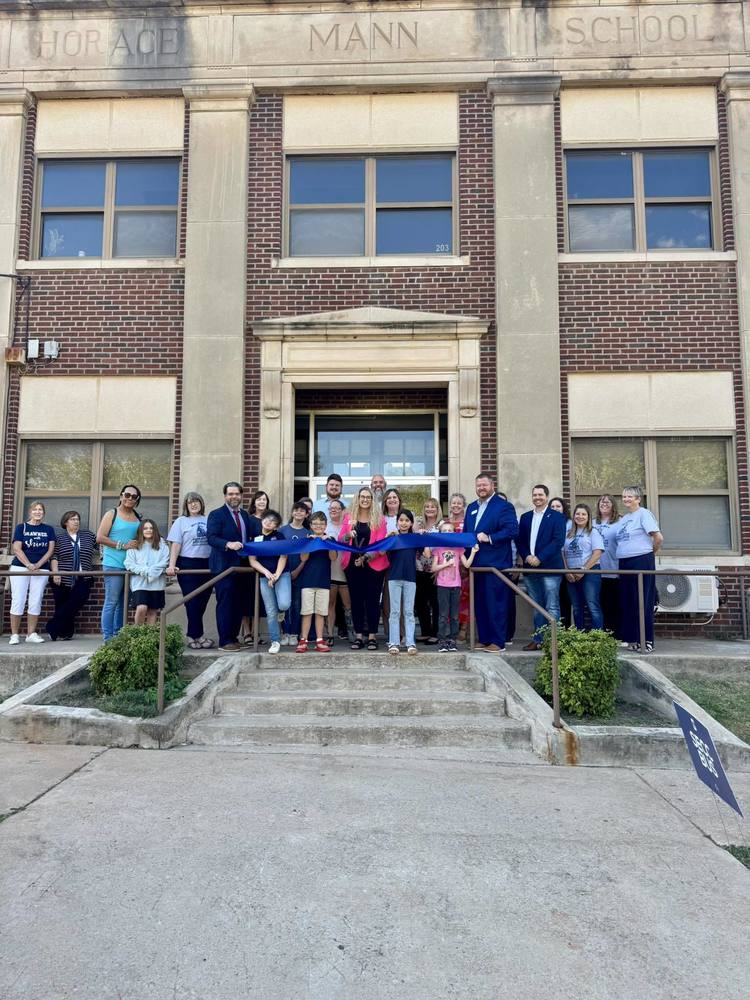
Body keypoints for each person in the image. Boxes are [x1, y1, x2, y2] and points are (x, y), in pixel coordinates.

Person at [463, 473, 518, 652]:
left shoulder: (503, 506)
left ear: (492, 485)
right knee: (481, 604)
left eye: (484, 485)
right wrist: (465, 560)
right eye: (478, 485)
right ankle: (485, 639)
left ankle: (498, 642)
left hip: (495, 565)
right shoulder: (471, 507)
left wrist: (490, 538)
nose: (481, 488)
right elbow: (466, 534)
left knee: (496, 604)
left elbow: (512, 530)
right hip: (476, 564)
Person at [207, 482, 259, 652]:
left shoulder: (245, 515)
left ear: (241, 496)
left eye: (237, 494)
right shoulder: (216, 515)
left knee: (238, 604)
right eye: (230, 494)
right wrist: (228, 544)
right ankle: (224, 640)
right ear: (225, 496)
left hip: (242, 567)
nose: (234, 497)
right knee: (226, 603)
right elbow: (212, 538)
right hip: (224, 567)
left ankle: (234, 638)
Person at [517, 484, 567, 650]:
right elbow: (520, 541)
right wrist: (527, 556)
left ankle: (554, 641)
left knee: (552, 605)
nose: (537, 497)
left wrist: (540, 557)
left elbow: (558, 541)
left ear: (547, 496)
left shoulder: (557, 517)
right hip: (530, 569)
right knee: (537, 606)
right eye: (535, 494)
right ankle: (538, 640)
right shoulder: (525, 517)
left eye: (540, 494)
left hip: (550, 568)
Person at [339, 485, 389, 650]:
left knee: (373, 601)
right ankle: (359, 636)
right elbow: (341, 539)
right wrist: (348, 535)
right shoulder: (348, 517)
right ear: (358, 499)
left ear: (372, 500)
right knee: (356, 601)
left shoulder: (379, 519)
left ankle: (373, 636)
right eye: (363, 497)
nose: (365, 499)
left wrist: (366, 557)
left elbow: (382, 545)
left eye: (368, 497)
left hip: (373, 565)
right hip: (352, 565)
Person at [615, 486, 663, 653]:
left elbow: (658, 538)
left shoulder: (644, 514)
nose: (626, 499)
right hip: (624, 562)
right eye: (624, 496)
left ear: (638, 499)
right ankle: (634, 639)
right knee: (629, 602)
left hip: (641, 561)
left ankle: (647, 640)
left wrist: (649, 553)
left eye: (630, 496)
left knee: (643, 601)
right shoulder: (625, 518)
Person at [166, 492, 214, 650]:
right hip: (187, 563)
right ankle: (194, 636)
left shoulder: (208, 520)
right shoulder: (181, 521)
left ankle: (196, 635)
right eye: (190, 502)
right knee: (192, 601)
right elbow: (176, 545)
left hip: (207, 564)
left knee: (202, 602)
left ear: (201, 504)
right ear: (186, 505)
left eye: (196, 502)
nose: (194, 505)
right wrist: (171, 565)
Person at [96, 484, 141, 641]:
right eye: (127, 495)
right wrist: (123, 545)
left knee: (123, 604)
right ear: (121, 496)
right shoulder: (112, 514)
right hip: (113, 563)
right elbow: (100, 537)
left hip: (131, 566)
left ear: (137, 500)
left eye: (134, 496)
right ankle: (108, 639)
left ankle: (119, 636)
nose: (130, 498)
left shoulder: (138, 517)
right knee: (112, 601)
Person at [8, 500, 56, 645]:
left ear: (43, 513)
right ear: (30, 512)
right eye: (35, 509)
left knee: (36, 600)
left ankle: (31, 633)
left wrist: (38, 565)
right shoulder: (21, 527)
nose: (38, 512)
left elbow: (50, 550)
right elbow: (17, 549)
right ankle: (14, 634)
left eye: (40, 510)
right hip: (20, 567)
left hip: (41, 568)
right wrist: (29, 565)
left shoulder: (48, 529)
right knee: (18, 600)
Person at [46, 510, 96, 641]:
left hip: (83, 577)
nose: (76, 521)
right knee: (62, 605)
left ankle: (52, 627)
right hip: (62, 576)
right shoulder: (59, 538)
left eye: (77, 519)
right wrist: (56, 573)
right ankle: (66, 633)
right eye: (73, 519)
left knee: (74, 603)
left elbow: (100, 545)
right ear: (65, 522)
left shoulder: (88, 535)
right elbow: (54, 556)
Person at [247, 509, 292, 654]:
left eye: (273, 521)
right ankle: (275, 641)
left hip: (282, 574)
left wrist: (276, 575)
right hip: (264, 577)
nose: (268, 522)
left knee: (284, 604)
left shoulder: (279, 536)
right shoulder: (255, 537)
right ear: (262, 519)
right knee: (270, 611)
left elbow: (283, 556)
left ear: (276, 526)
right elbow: (252, 561)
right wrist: (266, 573)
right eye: (267, 519)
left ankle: (282, 612)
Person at [431, 521, 479, 651]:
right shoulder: (438, 548)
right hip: (442, 585)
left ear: (454, 533)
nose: (447, 533)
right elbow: (433, 567)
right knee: (443, 614)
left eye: (450, 530)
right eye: (444, 531)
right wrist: (446, 564)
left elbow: (467, 564)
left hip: (456, 584)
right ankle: (442, 640)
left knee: (454, 615)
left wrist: (473, 552)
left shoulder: (458, 548)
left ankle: (452, 640)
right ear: (441, 533)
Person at [296, 511, 336, 652]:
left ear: (325, 525)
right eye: (315, 524)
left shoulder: (330, 540)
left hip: (323, 582)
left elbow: (333, 557)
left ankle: (319, 640)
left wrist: (326, 542)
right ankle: (304, 640)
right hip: (307, 582)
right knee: (307, 612)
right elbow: (303, 558)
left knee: (320, 612)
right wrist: (311, 543)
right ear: (311, 525)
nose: (318, 526)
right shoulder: (307, 540)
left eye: (321, 524)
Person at [563, 504, 605, 631]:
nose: (580, 516)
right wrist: (566, 571)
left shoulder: (593, 532)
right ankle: (580, 636)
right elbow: (562, 553)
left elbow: (598, 552)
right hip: (571, 573)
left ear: (588, 517)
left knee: (592, 605)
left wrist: (584, 570)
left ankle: (598, 637)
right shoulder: (568, 533)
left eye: (583, 514)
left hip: (590, 571)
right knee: (576, 606)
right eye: (577, 514)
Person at [386, 508, 421, 655]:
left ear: (411, 523)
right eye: (401, 520)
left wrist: (423, 536)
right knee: (394, 612)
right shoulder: (393, 538)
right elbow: (382, 551)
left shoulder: (414, 539)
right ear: (397, 522)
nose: (404, 523)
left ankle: (410, 643)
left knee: (408, 611)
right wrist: (388, 537)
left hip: (410, 578)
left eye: (407, 520)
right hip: (394, 578)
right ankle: (393, 643)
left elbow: (425, 552)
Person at [124, 519, 170, 625]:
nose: (148, 530)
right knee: (141, 608)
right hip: (140, 583)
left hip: (156, 584)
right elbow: (129, 564)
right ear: (141, 530)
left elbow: (164, 562)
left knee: (152, 611)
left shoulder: (162, 545)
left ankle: (149, 638)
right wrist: (146, 571)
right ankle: (138, 635)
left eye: (151, 528)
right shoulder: (134, 545)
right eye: (145, 528)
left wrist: (151, 571)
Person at [279, 500, 309, 646]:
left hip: (300, 573)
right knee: (284, 605)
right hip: (283, 573)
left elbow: (306, 557)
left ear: (306, 514)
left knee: (297, 605)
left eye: (302, 510)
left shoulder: (307, 533)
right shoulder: (282, 531)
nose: (298, 512)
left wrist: (297, 570)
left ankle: (294, 634)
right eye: (296, 510)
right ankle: (284, 633)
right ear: (292, 513)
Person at [593, 494, 621, 637]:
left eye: (607, 502)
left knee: (614, 605)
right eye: (601, 502)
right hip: (595, 571)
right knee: (599, 605)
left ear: (613, 505)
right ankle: (602, 635)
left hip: (613, 569)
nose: (604, 504)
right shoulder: (592, 523)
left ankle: (615, 635)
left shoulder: (620, 522)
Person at [414, 497, 441, 644]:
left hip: (435, 569)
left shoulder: (442, 525)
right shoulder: (418, 525)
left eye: (433, 507)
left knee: (435, 602)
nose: (430, 509)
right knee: (420, 601)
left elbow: (443, 546)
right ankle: (425, 631)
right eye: (427, 507)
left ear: (438, 509)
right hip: (419, 568)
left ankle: (435, 633)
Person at [327, 498, 353, 642]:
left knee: (347, 604)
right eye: (331, 508)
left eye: (337, 508)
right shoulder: (324, 527)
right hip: (329, 569)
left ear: (343, 511)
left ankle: (351, 632)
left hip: (345, 568)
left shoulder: (348, 526)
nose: (333, 510)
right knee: (330, 603)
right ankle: (330, 634)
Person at [447, 491, 470, 639]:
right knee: (449, 598)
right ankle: (450, 627)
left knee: (465, 598)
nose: (456, 506)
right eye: (453, 503)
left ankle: (463, 629)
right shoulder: (444, 523)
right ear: (450, 505)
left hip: (463, 566)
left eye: (459, 503)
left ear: (464, 506)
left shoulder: (468, 523)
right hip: (447, 566)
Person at [549, 496, 573, 627]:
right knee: (553, 601)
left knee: (565, 600)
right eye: (552, 507)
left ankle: (566, 630)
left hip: (567, 565)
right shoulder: (547, 522)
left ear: (563, 508)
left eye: (558, 506)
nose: (555, 509)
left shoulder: (570, 523)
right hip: (552, 565)